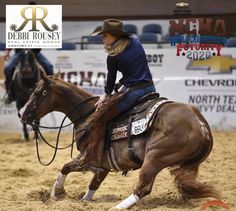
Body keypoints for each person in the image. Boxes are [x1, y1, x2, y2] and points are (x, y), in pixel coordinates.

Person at [79, 19, 156, 169]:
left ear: (114, 36)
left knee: (99, 119)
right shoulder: (136, 41)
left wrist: (106, 94)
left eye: (104, 35)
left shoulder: (113, 57)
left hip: (134, 93)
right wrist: (119, 85)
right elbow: (133, 73)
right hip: (150, 89)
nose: (102, 39)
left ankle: (96, 156)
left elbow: (110, 79)